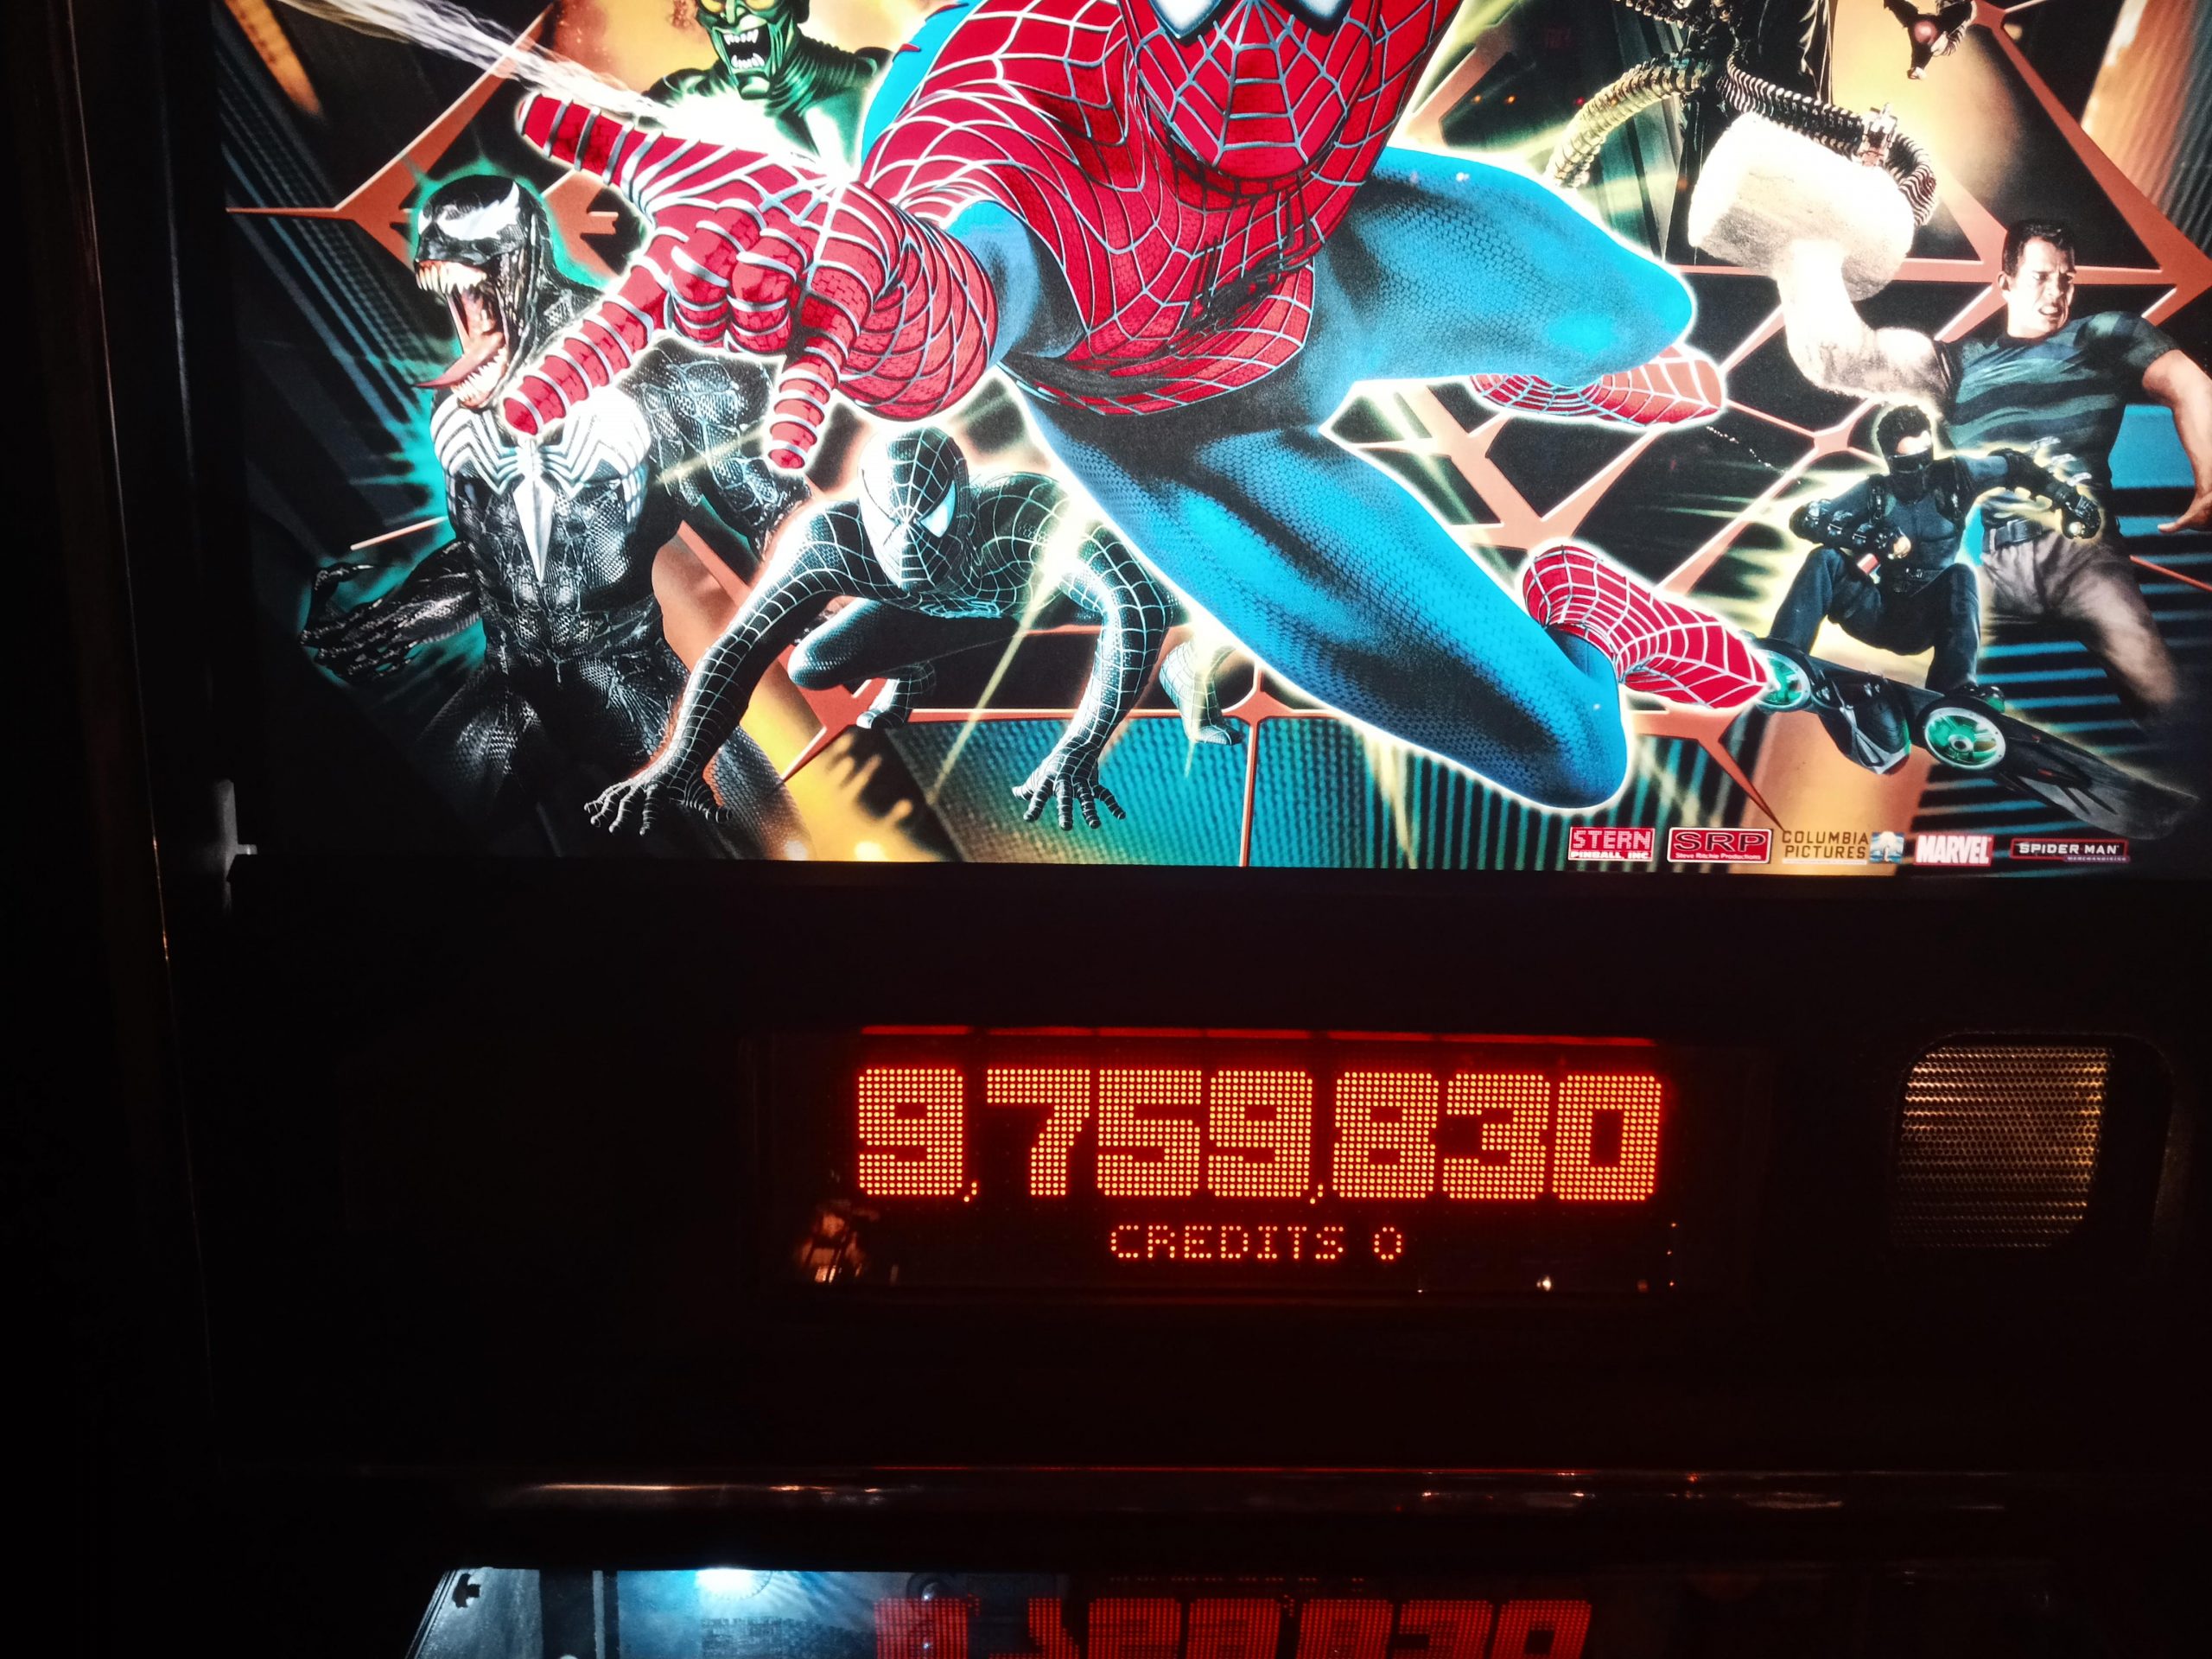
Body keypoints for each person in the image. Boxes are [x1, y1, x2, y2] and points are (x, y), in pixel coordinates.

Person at [495, 0, 1771, 816]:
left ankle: (1519, 361)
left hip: (1332, 270)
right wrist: (891, 299)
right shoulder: (1007, 62)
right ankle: (1596, 612)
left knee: (1641, 313)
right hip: (1186, 433)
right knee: (1569, 747)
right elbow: (967, 233)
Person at [302, 174, 808, 853]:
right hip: (514, 688)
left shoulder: (656, 371)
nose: (463, 300)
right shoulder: (462, 407)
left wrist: (846, 605)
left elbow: (780, 517)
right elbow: (495, 561)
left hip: (636, 683)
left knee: (783, 854)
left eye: (478, 272)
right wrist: (400, 618)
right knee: (386, 849)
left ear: (524, 260)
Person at [1776, 215, 2212, 721]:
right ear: (2006, 283)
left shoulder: (2103, 336)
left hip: (2083, 559)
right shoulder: (1955, 366)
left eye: (2066, 279)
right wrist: (1808, 249)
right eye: (2040, 277)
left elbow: (2188, 383)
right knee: (1932, 604)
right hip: (1996, 564)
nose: (2056, 294)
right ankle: (1914, 697)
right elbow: (1840, 359)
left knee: (2158, 689)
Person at [1766, 404, 2101, 699]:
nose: (1920, 470)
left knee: (1961, 575)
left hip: (1925, 618)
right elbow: (1808, 519)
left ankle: (1954, 689)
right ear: (1891, 460)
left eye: (1925, 457)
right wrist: (1867, 536)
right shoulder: (1876, 492)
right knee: (1825, 559)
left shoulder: (1957, 477)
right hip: (1877, 613)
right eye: (1909, 462)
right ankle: (1784, 654)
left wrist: (2068, 498)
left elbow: (2014, 466)